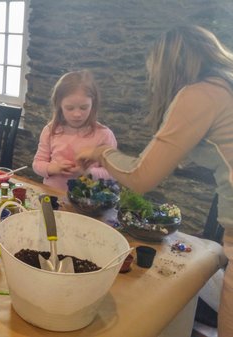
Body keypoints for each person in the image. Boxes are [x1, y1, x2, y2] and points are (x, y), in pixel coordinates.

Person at [75, 25, 233, 336]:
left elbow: (142, 176)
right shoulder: (224, 85)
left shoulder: (200, 93)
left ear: (169, 66)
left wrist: (101, 152)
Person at [32, 70, 117, 191]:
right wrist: (52, 168)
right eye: (69, 108)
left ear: (93, 104)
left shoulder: (104, 135)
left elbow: (113, 174)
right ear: (59, 105)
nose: (77, 114)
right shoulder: (51, 130)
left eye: (84, 107)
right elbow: (37, 163)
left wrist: (87, 172)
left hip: (89, 202)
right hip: (53, 196)